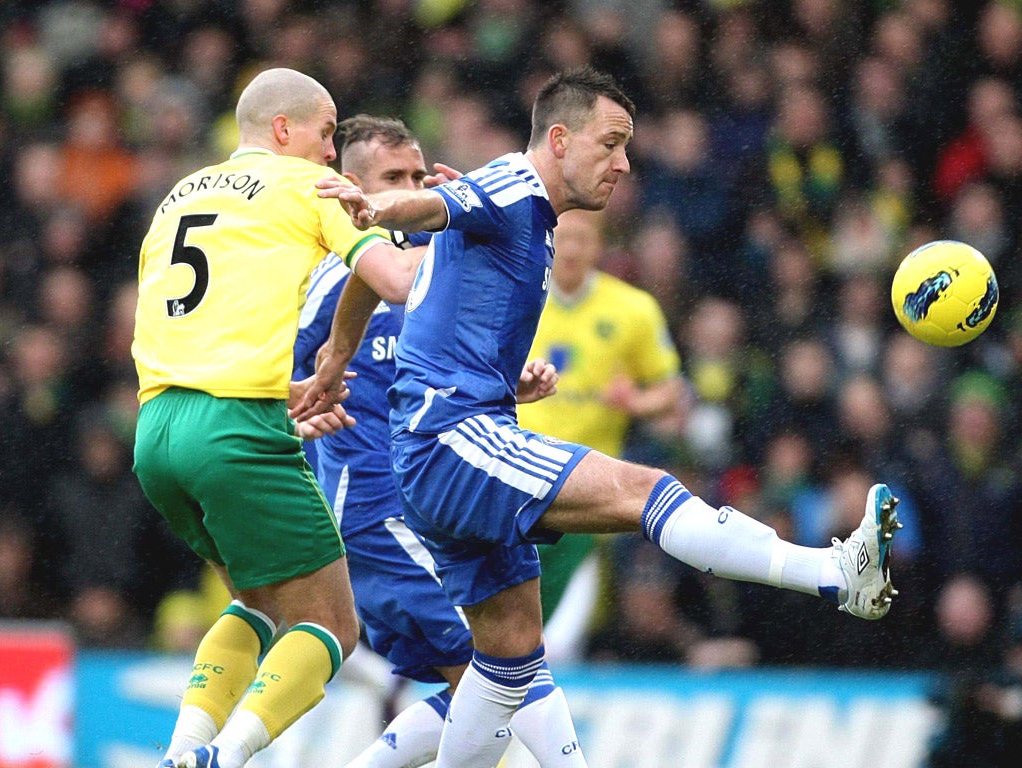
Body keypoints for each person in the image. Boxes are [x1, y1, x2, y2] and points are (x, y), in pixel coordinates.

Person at [298, 66, 902, 768]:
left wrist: (339, 359)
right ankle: (834, 573)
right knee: (644, 491)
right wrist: (378, 211)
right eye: (610, 143)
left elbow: (391, 277)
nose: (622, 164)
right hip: (451, 440)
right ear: (559, 139)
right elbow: (425, 211)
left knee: (507, 662)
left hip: (442, 452)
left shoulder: (530, 216)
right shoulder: (515, 183)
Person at [131, 68, 420, 768]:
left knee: (258, 603)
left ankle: (181, 753)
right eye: (326, 133)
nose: (332, 153)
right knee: (330, 624)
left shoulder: (178, 196)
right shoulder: (307, 187)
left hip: (157, 431)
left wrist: (284, 384)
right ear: (284, 130)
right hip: (236, 432)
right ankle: (223, 759)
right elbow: (402, 283)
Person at [294, 114, 587, 767]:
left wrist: (509, 380)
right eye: (393, 178)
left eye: (418, 175)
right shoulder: (337, 277)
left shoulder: (436, 285)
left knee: (488, 687)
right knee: (511, 666)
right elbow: (272, 380)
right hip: (379, 518)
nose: (412, 186)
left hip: (436, 510)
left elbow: (439, 382)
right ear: (353, 188)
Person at [517, 207, 682, 661]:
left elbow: (672, 392)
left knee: (559, 639)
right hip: (515, 479)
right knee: (506, 628)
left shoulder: (632, 310)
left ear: (599, 246)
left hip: (585, 489)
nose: (570, 249)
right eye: (563, 238)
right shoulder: (518, 297)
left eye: (582, 239)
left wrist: (636, 403)